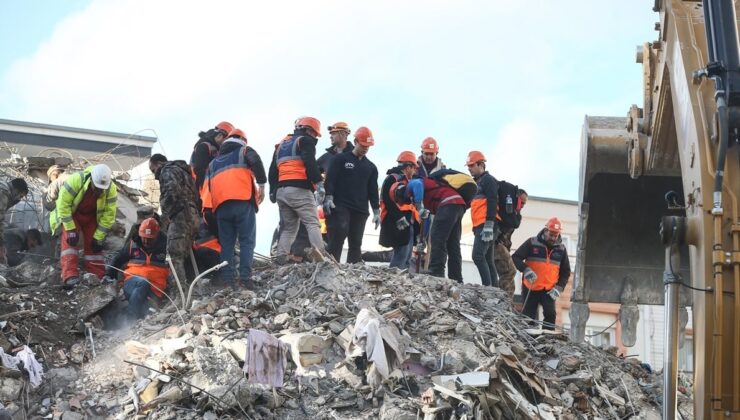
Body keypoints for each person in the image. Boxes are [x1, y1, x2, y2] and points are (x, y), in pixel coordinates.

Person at [204, 128, 265, 288]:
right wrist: (262, 185)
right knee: (246, 241)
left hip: (221, 208)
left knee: (227, 245)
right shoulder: (244, 151)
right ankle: (245, 279)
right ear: (243, 141)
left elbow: (209, 188)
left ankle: (228, 280)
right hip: (242, 202)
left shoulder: (213, 163)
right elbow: (256, 162)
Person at [269, 117, 326, 264]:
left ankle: (280, 258)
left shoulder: (281, 145)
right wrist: (319, 183)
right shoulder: (305, 141)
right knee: (313, 223)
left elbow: (272, 170)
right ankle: (320, 258)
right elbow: (310, 163)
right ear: (308, 130)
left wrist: (273, 191)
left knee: (288, 228)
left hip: (282, 191)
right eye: (315, 134)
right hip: (299, 190)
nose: (315, 137)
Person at [50, 166, 115, 289]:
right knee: (70, 243)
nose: (99, 192)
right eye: (97, 188)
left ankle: (98, 275)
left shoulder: (111, 189)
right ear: (91, 180)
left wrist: (98, 237)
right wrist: (70, 229)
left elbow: (109, 215)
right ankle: (69, 275)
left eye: (102, 189)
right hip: (73, 214)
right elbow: (63, 205)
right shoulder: (76, 180)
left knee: (94, 247)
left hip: (92, 216)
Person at [324, 126, 380, 263]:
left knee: (356, 241)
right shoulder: (340, 159)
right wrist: (329, 197)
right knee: (339, 233)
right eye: (363, 145)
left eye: (368, 146)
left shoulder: (371, 167)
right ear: (355, 142)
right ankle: (332, 265)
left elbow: (373, 191)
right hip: (341, 205)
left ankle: (353, 268)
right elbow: (330, 179)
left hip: (360, 209)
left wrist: (376, 211)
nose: (366, 148)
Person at [149, 154, 199, 290]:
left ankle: (179, 295)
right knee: (183, 255)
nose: (154, 175)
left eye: (153, 170)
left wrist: (164, 215)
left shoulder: (167, 170)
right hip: (193, 215)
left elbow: (172, 192)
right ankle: (193, 291)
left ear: (158, 163)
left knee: (173, 256)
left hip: (181, 216)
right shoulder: (184, 172)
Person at [512, 217, 571, 330]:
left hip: (549, 290)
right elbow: (516, 257)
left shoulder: (561, 250)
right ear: (546, 230)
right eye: (551, 234)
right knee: (528, 317)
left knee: (550, 314)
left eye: (556, 235)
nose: (553, 238)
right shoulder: (531, 243)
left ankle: (547, 339)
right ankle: (527, 339)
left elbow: (566, 271)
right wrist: (526, 270)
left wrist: (559, 288)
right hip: (531, 287)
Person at [105, 218, 169, 321]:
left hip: (154, 291)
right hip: (132, 284)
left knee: (148, 312)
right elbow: (118, 259)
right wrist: (108, 275)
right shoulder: (133, 244)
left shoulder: (166, 246)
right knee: (142, 283)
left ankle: (123, 317)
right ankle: (129, 319)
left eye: (150, 238)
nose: (146, 241)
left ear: (157, 236)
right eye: (144, 237)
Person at [403, 176, 464, 281]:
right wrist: (422, 240)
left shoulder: (410, 185)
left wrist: (419, 204)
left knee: (437, 237)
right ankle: (456, 278)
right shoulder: (426, 196)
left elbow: (417, 184)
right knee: (453, 243)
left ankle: (436, 272)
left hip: (448, 203)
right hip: (458, 204)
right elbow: (426, 220)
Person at [379, 151, 420, 269]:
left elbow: (412, 208)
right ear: (408, 167)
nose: (414, 171)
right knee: (401, 256)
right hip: (397, 222)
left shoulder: (406, 182)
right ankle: (393, 281)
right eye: (413, 168)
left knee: (406, 258)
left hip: (407, 224)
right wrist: (399, 217)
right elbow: (387, 200)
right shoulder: (393, 179)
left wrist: (417, 229)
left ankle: (401, 282)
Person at [467, 151, 499, 287]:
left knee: (478, 255)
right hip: (482, 225)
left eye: (472, 165)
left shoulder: (488, 180)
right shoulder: (478, 182)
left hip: (486, 224)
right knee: (487, 259)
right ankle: (494, 289)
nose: (469, 169)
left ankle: (488, 287)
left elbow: (492, 200)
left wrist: (489, 223)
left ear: (481, 165)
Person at [190, 121, 234, 209]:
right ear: (220, 136)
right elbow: (200, 170)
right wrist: (205, 193)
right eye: (227, 140)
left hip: (204, 192)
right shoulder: (205, 146)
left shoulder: (212, 148)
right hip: (201, 192)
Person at [495, 189, 528, 298]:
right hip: (496, 243)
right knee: (510, 272)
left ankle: (507, 301)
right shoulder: (506, 210)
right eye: (521, 202)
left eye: (524, 204)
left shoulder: (515, 215)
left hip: (502, 245)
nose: (522, 206)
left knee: (509, 275)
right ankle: (503, 300)